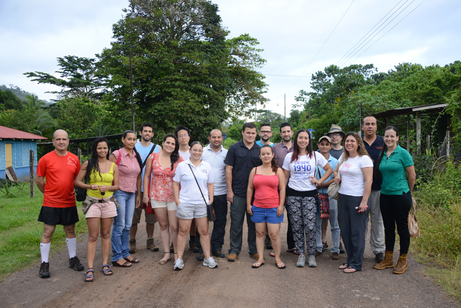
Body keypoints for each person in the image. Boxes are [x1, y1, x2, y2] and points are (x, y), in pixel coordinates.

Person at [35, 129, 84, 278]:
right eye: (58, 139)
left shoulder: (74, 159)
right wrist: (48, 194)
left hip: (69, 202)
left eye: (64, 139)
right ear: (53, 142)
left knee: (70, 230)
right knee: (48, 232)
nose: (61, 141)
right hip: (51, 202)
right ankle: (44, 263)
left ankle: (72, 258)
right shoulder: (45, 159)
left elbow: (77, 180)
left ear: (68, 141)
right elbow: (39, 180)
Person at [283, 129, 333, 268]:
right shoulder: (289, 157)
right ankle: (300, 254)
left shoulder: (315, 155)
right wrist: (282, 197)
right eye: (300, 138)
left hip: (310, 194)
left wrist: (319, 181)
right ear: (296, 139)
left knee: (310, 226)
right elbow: (285, 177)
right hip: (293, 194)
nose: (303, 140)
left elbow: (329, 169)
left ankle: (311, 254)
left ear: (309, 140)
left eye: (305, 138)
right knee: (297, 226)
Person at [75, 137, 119, 282]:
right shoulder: (88, 164)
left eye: (105, 148)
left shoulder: (113, 166)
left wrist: (109, 187)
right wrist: (89, 186)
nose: (102, 150)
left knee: (106, 234)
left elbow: (117, 186)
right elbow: (77, 181)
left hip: (108, 202)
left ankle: (105, 264)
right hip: (92, 202)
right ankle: (90, 268)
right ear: (95, 149)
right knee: (93, 236)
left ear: (108, 149)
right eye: (99, 148)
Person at [373, 126, 416, 274]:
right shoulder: (383, 154)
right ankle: (388, 259)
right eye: (387, 136)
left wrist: (408, 192)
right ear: (383, 138)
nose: (389, 139)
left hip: (400, 195)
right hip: (385, 195)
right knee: (388, 228)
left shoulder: (403, 153)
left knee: (402, 228)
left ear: (397, 138)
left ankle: (402, 260)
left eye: (392, 136)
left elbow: (412, 175)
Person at [173, 141, 218, 270]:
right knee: (183, 231)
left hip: (202, 203)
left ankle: (208, 258)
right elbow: (176, 183)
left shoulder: (206, 166)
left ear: (202, 152)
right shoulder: (182, 166)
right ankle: (179, 259)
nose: (197, 153)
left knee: (204, 231)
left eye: (199, 150)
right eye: (194, 150)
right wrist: (177, 201)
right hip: (185, 202)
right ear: (190, 150)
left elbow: (210, 183)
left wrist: (210, 199)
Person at [334, 132, 373, 273]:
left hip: (357, 198)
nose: (349, 143)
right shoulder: (344, 157)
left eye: (352, 141)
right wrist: (337, 178)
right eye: (347, 141)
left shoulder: (364, 159)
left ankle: (356, 263)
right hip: (343, 197)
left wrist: (364, 201)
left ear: (358, 143)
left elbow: (369, 181)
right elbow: (336, 171)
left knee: (357, 232)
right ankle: (350, 260)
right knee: (346, 231)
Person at [143, 134, 183, 265]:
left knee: (174, 226)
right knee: (163, 225)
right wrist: (145, 195)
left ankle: (177, 253)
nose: (170, 145)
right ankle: (167, 254)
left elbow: (184, 178)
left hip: (173, 197)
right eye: (168, 142)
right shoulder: (153, 157)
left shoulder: (179, 159)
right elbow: (147, 176)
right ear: (163, 143)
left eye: (173, 144)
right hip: (157, 196)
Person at [225, 122, 262, 261]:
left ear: (256, 134)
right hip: (238, 192)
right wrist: (230, 190)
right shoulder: (234, 148)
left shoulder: (259, 149)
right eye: (248, 132)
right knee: (236, 223)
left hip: (256, 194)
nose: (250, 135)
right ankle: (234, 250)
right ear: (242, 133)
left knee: (253, 223)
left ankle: (253, 250)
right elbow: (228, 169)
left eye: (253, 133)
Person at [247, 145, 286, 269]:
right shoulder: (255, 170)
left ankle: (278, 258)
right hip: (258, 207)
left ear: (272, 155)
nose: (266, 156)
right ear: (260, 156)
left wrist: (281, 205)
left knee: (274, 234)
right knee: (260, 233)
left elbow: (282, 189)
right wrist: (249, 204)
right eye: (263, 154)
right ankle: (260, 258)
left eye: (268, 153)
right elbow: (250, 188)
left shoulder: (278, 170)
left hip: (274, 207)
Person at [109, 130, 142, 267]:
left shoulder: (136, 155)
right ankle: (117, 256)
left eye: (134, 139)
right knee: (119, 225)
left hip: (131, 193)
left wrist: (139, 194)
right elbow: (107, 172)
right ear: (123, 140)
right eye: (129, 139)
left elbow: (139, 176)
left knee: (128, 225)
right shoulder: (116, 154)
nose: (132, 141)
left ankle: (125, 252)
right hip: (119, 193)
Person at [196, 129, 228, 260]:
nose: (216, 139)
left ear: (222, 138)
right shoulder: (202, 152)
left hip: (221, 192)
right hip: (203, 193)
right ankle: (201, 248)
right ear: (209, 138)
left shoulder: (227, 153)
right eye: (214, 137)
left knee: (220, 221)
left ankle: (216, 247)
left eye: (219, 137)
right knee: (202, 221)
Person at [130, 123, 161, 253]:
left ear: (152, 134)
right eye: (145, 131)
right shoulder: (133, 147)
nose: (147, 133)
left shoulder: (158, 148)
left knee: (151, 218)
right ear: (140, 133)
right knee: (134, 218)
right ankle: (132, 241)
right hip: (135, 188)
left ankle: (150, 240)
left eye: (150, 131)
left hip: (151, 188)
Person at [362, 116, 386, 262]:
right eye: (367, 124)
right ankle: (360, 249)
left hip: (379, 187)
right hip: (360, 189)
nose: (370, 126)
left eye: (373, 124)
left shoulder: (383, 142)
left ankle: (378, 250)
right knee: (361, 220)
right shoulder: (358, 142)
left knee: (378, 219)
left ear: (376, 127)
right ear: (363, 126)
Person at [314, 136, 341, 260]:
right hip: (318, 195)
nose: (324, 146)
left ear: (330, 146)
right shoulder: (313, 160)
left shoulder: (335, 162)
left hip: (332, 196)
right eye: (322, 144)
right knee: (318, 223)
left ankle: (336, 248)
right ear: (318, 145)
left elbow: (337, 180)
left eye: (326, 144)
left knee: (334, 224)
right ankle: (318, 246)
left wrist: (322, 184)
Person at [273, 122, 296, 254]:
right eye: (284, 132)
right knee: (276, 217)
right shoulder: (275, 148)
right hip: (277, 188)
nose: (286, 134)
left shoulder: (298, 147)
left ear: (292, 132)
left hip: (294, 188)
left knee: (293, 218)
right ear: (280, 133)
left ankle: (291, 245)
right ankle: (274, 245)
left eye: (288, 131)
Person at [174, 124, 197, 252]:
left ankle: (193, 240)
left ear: (189, 137)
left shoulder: (194, 151)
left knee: (193, 218)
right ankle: (176, 241)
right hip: (177, 189)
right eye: (180, 136)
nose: (183, 138)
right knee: (178, 216)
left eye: (185, 135)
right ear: (177, 138)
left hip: (192, 189)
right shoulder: (173, 152)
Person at [326, 124, 347, 254]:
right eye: (332, 135)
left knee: (341, 216)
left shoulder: (346, 151)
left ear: (341, 137)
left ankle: (339, 242)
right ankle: (323, 240)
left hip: (345, 189)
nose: (334, 137)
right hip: (328, 189)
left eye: (337, 134)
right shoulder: (323, 150)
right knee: (326, 216)